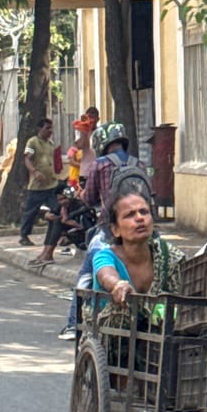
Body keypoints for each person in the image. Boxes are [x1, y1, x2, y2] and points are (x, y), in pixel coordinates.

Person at [58, 121, 148, 340]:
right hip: (143, 231)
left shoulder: (99, 165)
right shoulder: (140, 164)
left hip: (110, 229)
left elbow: (88, 198)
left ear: (102, 143)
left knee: (86, 276)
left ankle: (73, 324)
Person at [93, 190, 184, 304]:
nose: (140, 218)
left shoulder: (168, 255)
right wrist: (118, 285)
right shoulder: (105, 256)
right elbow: (105, 274)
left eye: (144, 212)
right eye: (130, 215)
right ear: (115, 230)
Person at [19, 118, 59, 246]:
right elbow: (27, 159)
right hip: (37, 186)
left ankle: (56, 235)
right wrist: (35, 172)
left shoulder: (51, 144)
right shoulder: (32, 142)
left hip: (51, 184)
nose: (50, 131)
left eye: (51, 128)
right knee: (31, 211)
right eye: (47, 128)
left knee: (56, 209)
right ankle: (24, 235)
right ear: (39, 129)